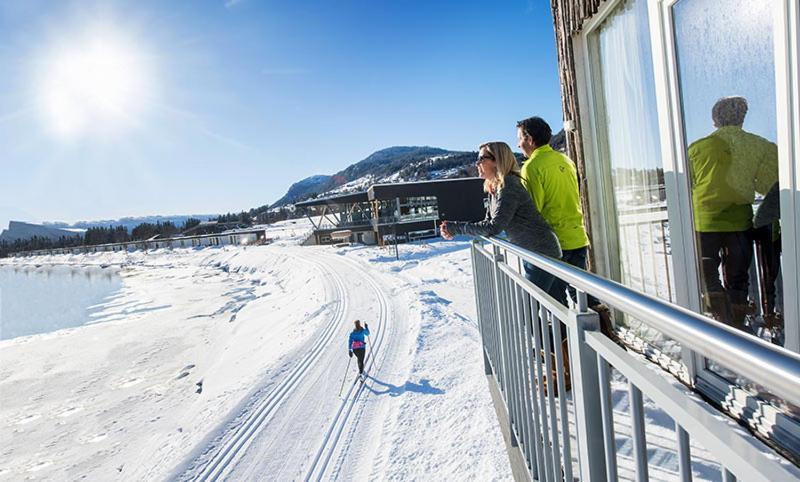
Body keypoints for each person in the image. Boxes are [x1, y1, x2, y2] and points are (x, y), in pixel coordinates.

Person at [688, 96, 779, 331]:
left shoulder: (697, 148)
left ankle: (722, 319)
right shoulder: (758, 146)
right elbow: (770, 185)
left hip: (704, 223)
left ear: (715, 119)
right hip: (739, 224)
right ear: (742, 117)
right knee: (738, 279)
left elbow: (688, 185)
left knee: (708, 277)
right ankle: (737, 324)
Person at [517, 116, 612, 334]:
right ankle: (609, 341)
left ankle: (566, 355)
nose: (518, 144)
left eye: (520, 138)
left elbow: (533, 212)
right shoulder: (565, 160)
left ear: (529, 139)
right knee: (584, 296)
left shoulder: (532, 167)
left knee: (557, 305)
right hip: (577, 238)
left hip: (554, 245)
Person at [439, 141, 561, 291]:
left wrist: (456, 228)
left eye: (481, 159)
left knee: (528, 307)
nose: (477, 164)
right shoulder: (495, 187)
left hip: (542, 251)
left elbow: (494, 226)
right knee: (546, 306)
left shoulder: (509, 185)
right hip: (532, 251)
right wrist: (454, 227)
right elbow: (487, 222)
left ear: (497, 160)